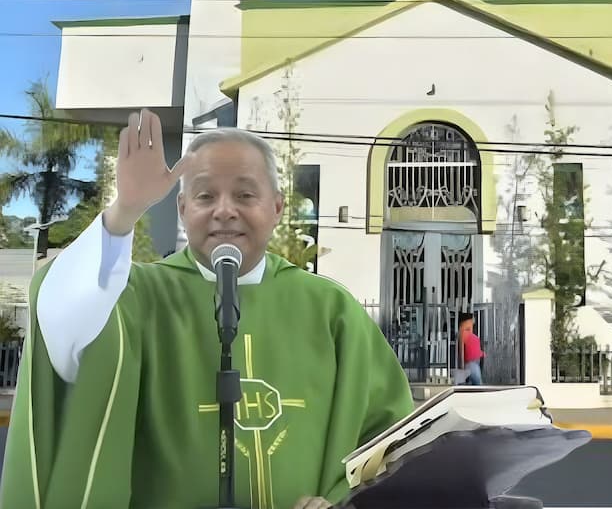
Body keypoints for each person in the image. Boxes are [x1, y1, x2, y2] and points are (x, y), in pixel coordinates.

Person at [0, 109, 414, 509]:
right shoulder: (135, 296)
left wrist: (345, 503)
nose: (224, 210)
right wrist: (125, 211)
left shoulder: (331, 310)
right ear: (182, 211)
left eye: (245, 194)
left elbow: (394, 442)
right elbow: (59, 314)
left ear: (276, 208)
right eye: (204, 196)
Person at [458, 313, 485, 386]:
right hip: (471, 364)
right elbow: (461, 351)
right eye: (472, 319)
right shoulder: (463, 333)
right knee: (478, 386)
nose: (474, 320)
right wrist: (462, 368)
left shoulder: (468, 332)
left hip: (475, 363)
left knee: (476, 385)